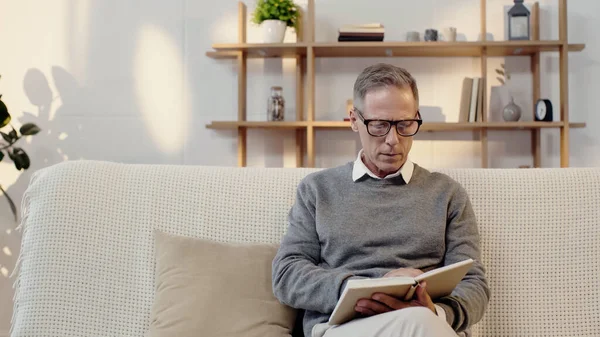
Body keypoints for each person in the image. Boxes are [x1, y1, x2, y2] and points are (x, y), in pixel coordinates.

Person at [272, 63, 490, 337]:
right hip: (345, 327)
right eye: (379, 125)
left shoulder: (447, 194)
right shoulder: (317, 190)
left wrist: (437, 312)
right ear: (354, 120)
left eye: (405, 125)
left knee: (420, 323)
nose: (393, 140)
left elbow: (473, 283)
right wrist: (361, 289)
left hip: (428, 324)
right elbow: (287, 274)